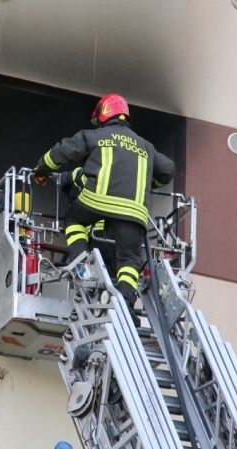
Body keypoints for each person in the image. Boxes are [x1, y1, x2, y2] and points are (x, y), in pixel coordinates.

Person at [32, 93, 174, 327]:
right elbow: (168, 169)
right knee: (129, 261)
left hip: (96, 202)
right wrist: (149, 184)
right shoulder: (145, 146)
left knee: (74, 223)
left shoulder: (95, 135)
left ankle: (82, 266)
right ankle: (126, 305)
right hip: (133, 213)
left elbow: (61, 152)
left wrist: (41, 169)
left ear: (103, 114)